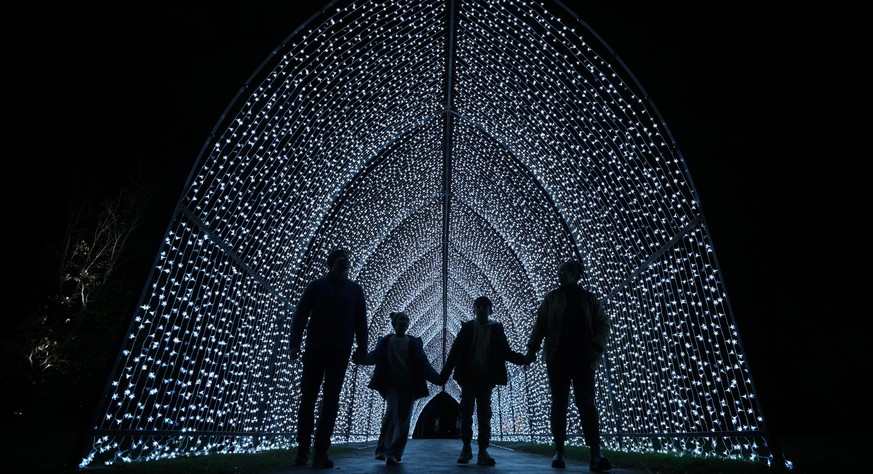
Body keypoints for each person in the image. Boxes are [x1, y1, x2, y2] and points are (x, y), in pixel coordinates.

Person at [525, 259, 612, 472]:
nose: (560, 274)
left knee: (587, 404)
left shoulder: (588, 298)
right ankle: (560, 450)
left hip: (584, 358)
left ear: (575, 273)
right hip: (558, 358)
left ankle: (595, 453)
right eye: (559, 271)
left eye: (564, 271)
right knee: (559, 404)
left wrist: (596, 345)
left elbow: (603, 324)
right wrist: (532, 349)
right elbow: (540, 324)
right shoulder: (552, 298)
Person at [289, 248, 368, 468]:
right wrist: (294, 344)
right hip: (315, 348)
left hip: (339, 351)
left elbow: (360, 321)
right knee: (308, 398)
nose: (345, 262)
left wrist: (362, 349)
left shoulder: (355, 290)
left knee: (331, 400)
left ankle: (321, 451)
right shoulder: (317, 286)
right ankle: (303, 448)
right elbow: (300, 315)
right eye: (341, 259)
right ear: (332, 263)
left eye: (347, 260)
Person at [439, 296, 529, 466]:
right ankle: (466, 447)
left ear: (490, 310)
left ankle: (482, 450)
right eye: (478, 306)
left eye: (485, 306)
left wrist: (523, 359)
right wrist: (443, 377)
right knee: (466, 410)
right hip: (468, 377)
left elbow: (505, 352)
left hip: (486, 378)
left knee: (484, 413)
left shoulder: (496, 329)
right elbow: (454, 353)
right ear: (474, 310)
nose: (481, 309)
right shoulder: (467, 328)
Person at [353, 311, 443, 465]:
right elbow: (374, 356)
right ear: (394, 323)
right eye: (401, 319)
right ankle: (382, 449)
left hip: (409, 386)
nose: (404, 322)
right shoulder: (386, 341)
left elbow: (424, 365)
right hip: (391, 385)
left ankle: (395, 453)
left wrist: (438, 379)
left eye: (406, 320)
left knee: (404, 420)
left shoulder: (414, 343)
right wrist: (362, 359)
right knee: (391, 412)